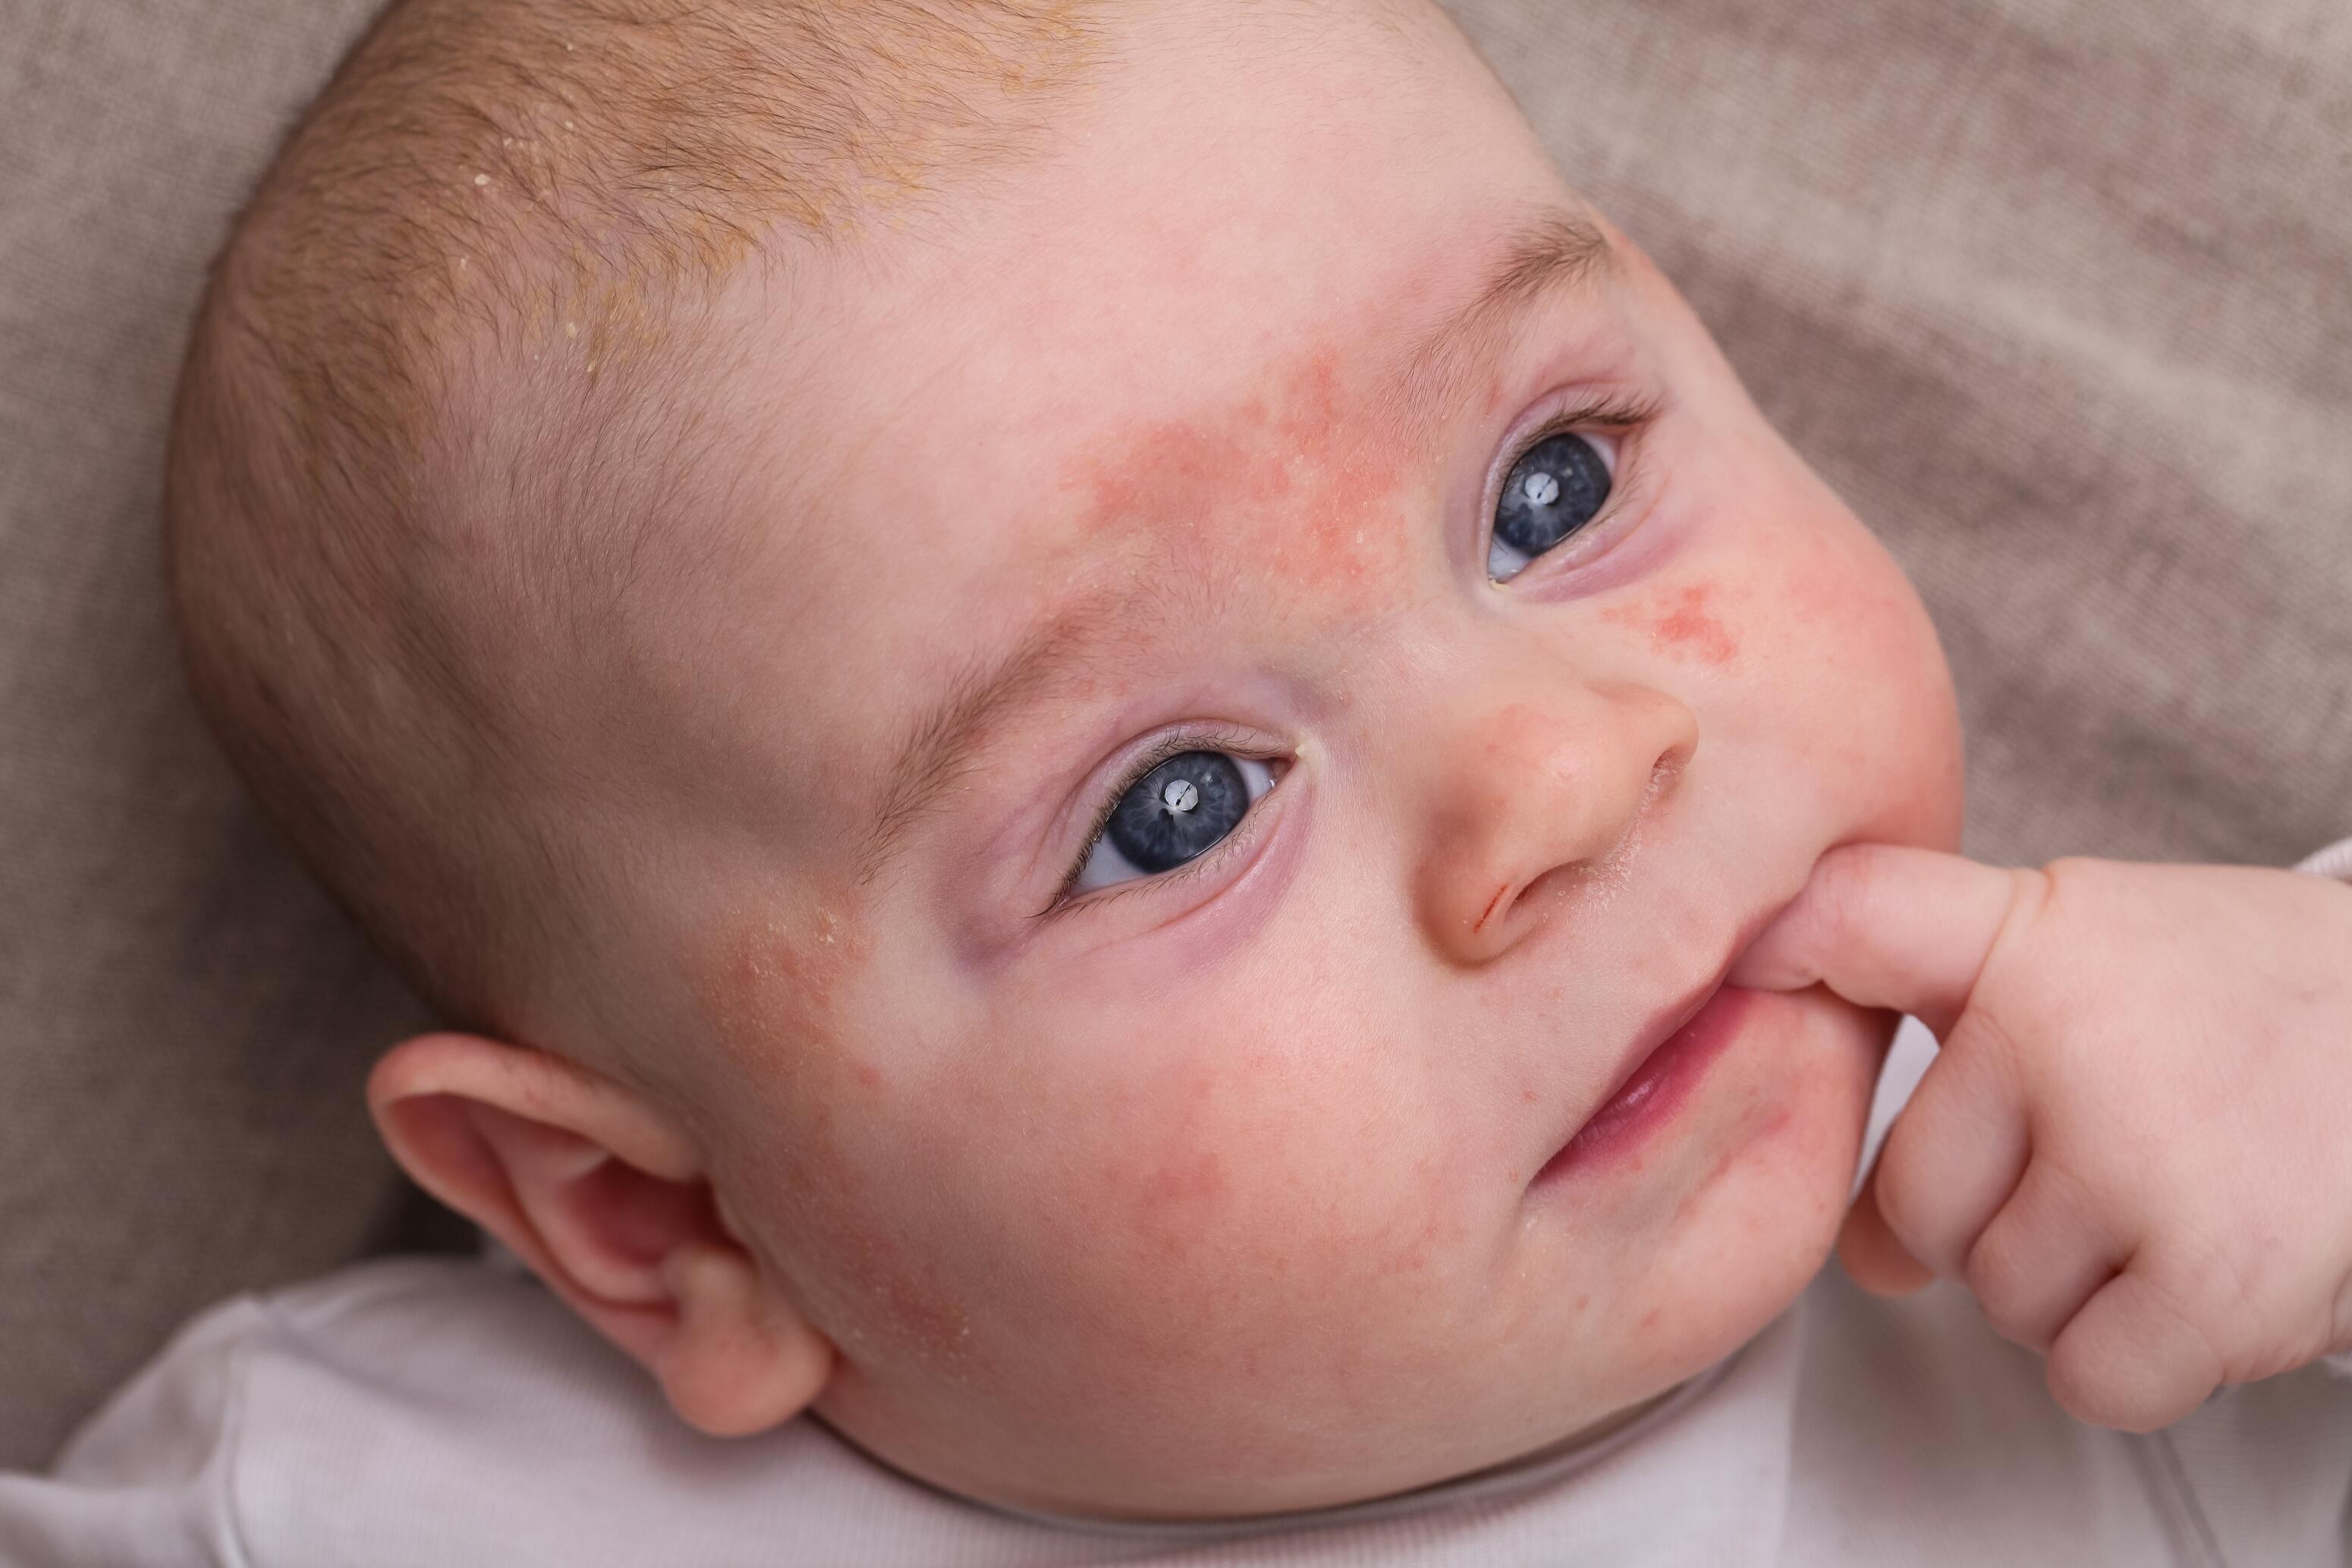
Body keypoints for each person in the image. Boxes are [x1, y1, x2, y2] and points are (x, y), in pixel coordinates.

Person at [5, 0, 2349, 1559]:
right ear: (661, 1227)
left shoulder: (2130, 1179)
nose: (1556, 776)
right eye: (1172, 809)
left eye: (1551, 486)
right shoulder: (374, 1505)